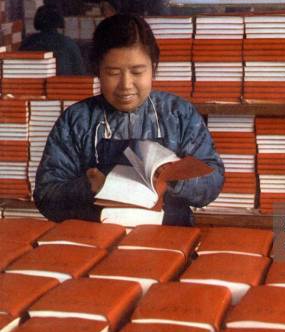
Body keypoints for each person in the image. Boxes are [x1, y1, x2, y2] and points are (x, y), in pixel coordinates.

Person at [34, 13, 224, 225]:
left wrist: (176, 179)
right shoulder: (77, 120)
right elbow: (46, 194)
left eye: (137, 72)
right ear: (97, 70)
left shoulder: (179, 114)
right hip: (95, 243)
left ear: (153, 67)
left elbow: (213, 181)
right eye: (113, 72)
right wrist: (88, 187)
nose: (126, 85)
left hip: (170, 240)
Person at [19, 5, 86, 75]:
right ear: (60, 20)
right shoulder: (68, 43)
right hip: (62, 84)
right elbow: (80, 73)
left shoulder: (28, 42)